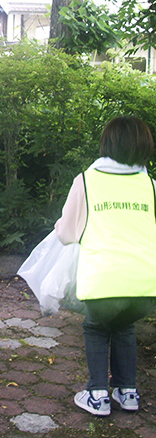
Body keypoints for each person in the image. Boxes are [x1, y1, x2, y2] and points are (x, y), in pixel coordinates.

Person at [55, 115, 156, 416]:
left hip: (103, 283)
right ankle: (128, 393)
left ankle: (97, 394)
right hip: (146, 286)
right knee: (124, 326)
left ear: (106, 143)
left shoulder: (86, 181)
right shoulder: (151, 185)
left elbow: (67, 233)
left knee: (96, 328)